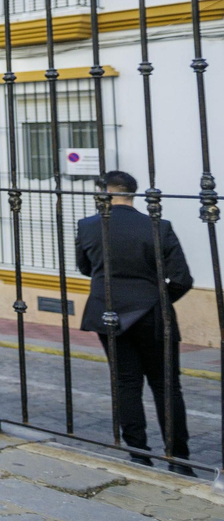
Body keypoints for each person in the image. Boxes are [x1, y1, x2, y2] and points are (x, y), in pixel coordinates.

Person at [75, 170, 195, 474]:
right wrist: (156, 299)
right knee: (167, 386)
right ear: (131, 193)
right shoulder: (158, 225)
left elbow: (85, 268)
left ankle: (138, 454)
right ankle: (178, 458)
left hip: (109, 313)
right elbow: (181, 279)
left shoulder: (88, 226)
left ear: (105, 193)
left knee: (125, 382)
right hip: (154, 315)